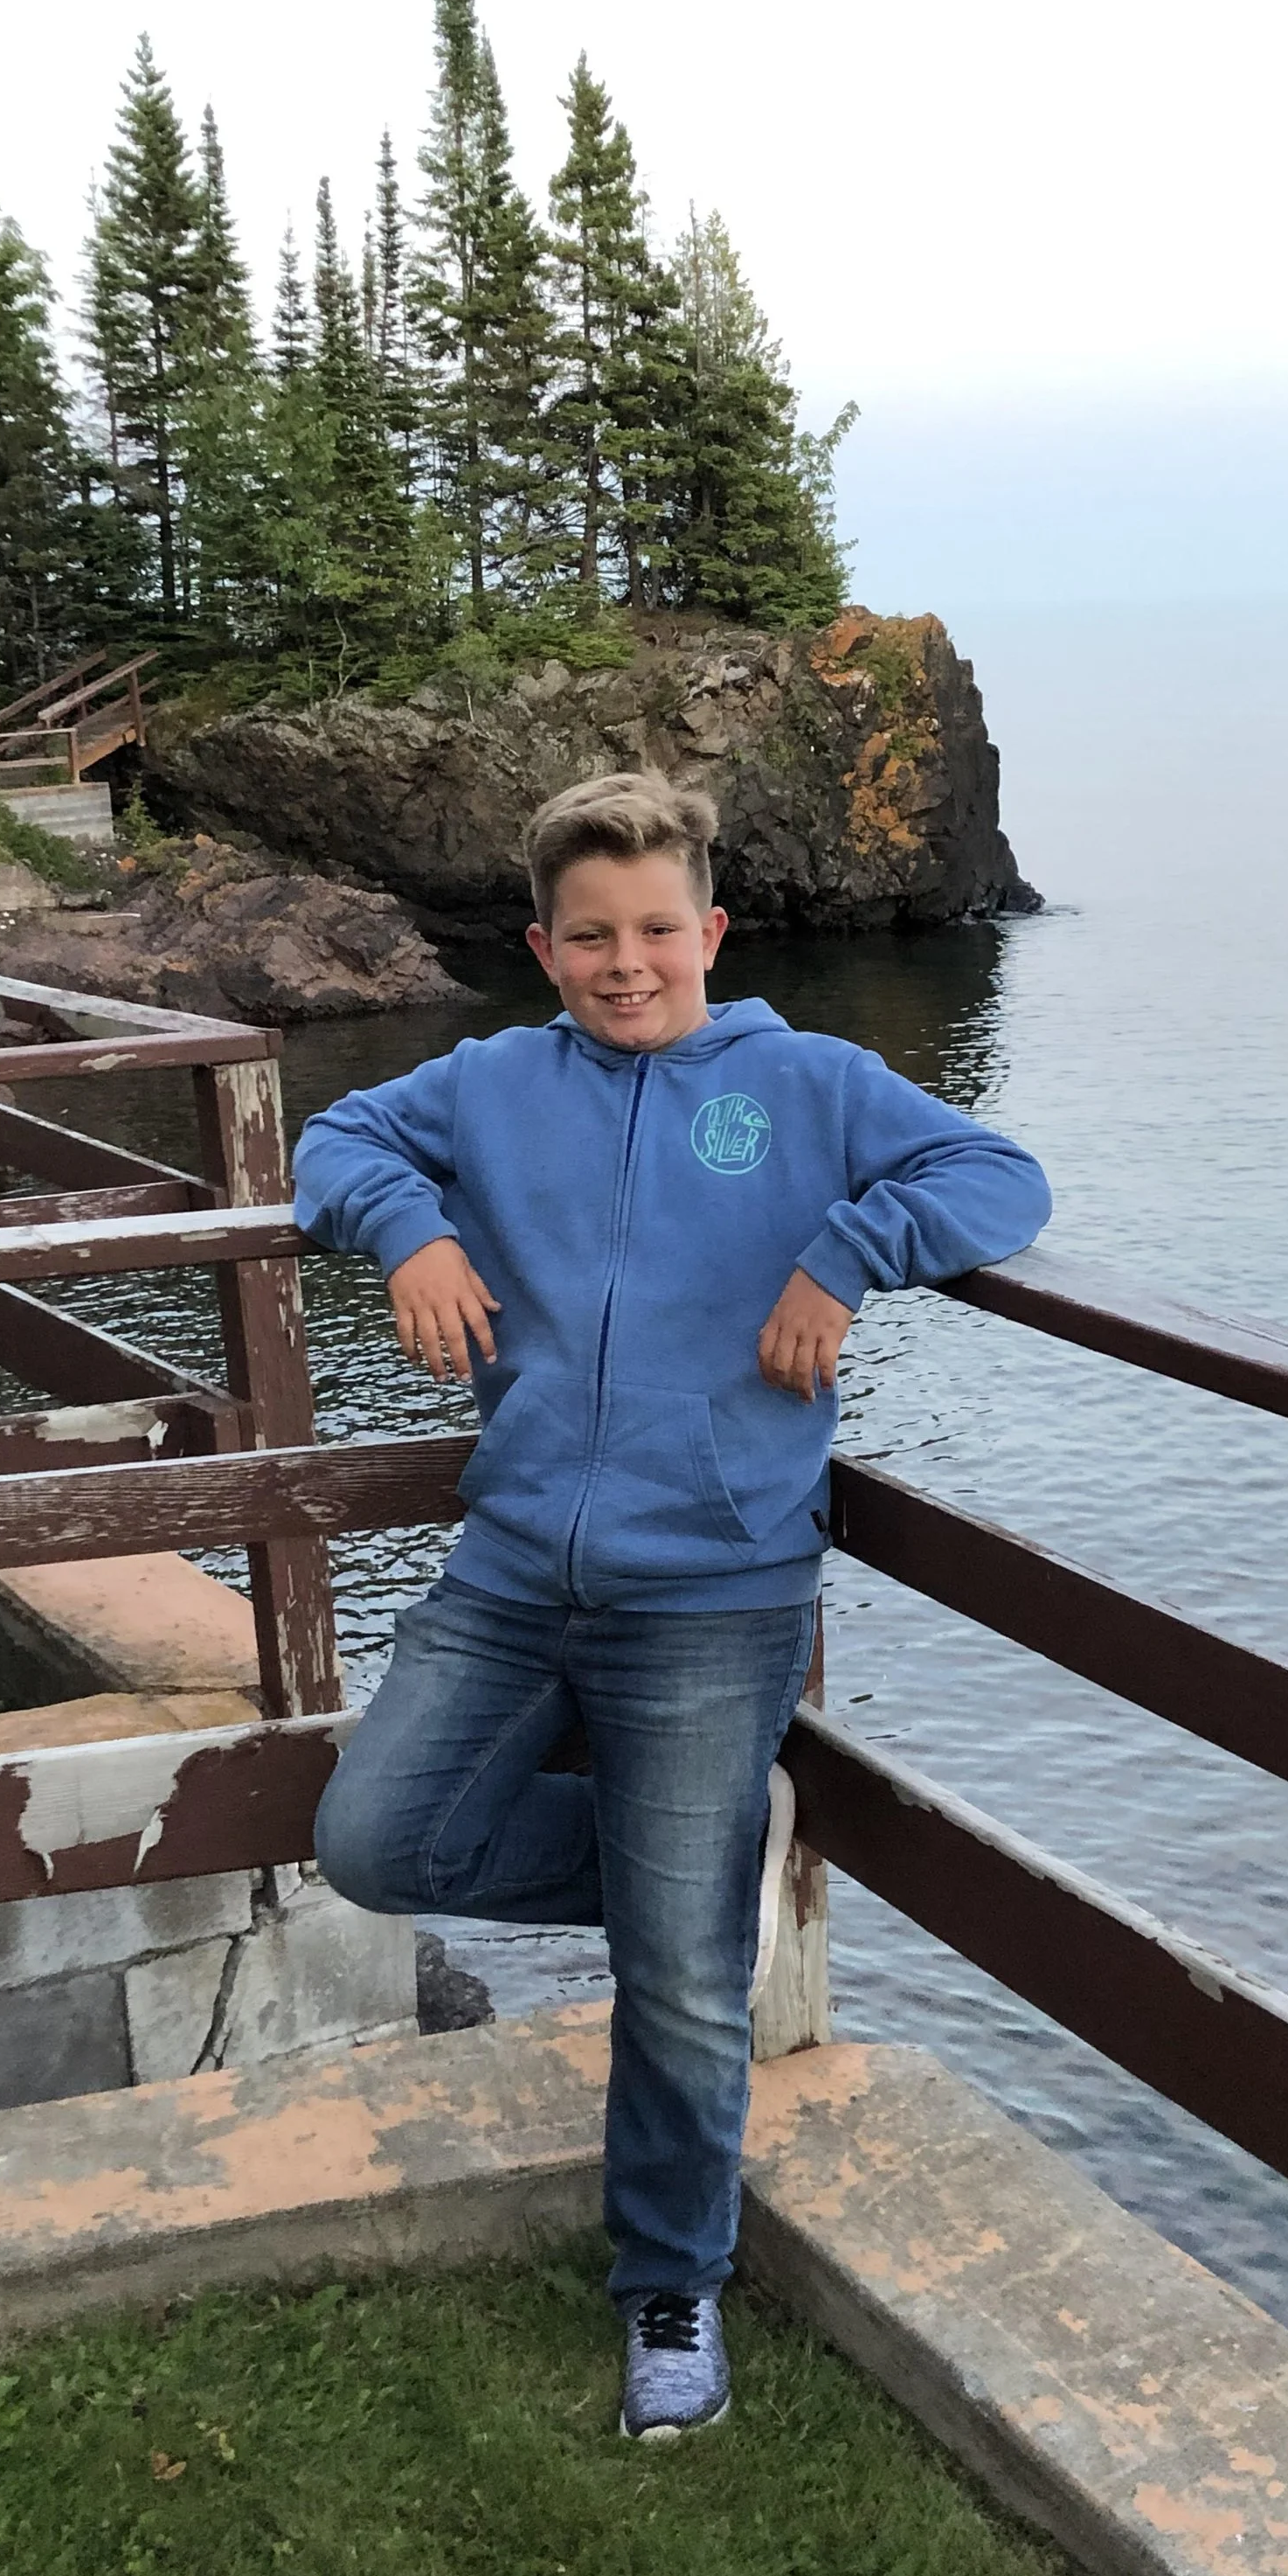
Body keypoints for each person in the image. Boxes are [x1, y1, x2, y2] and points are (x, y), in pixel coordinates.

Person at [298, 772, 1050, 2440]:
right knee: (376, 1843)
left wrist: (849, 1251)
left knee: (684, 1988)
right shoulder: (492, 1082)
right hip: (509, 1570)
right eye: (591, 937)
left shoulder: (808, 1084)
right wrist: (409, 1230)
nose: (625, 963)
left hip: (714, 1589)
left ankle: (668, 2288)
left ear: (710, 930)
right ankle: (700, 1881)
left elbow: (1001, 1179)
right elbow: (332, 1140)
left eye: (657, 930)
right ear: (542, 947)